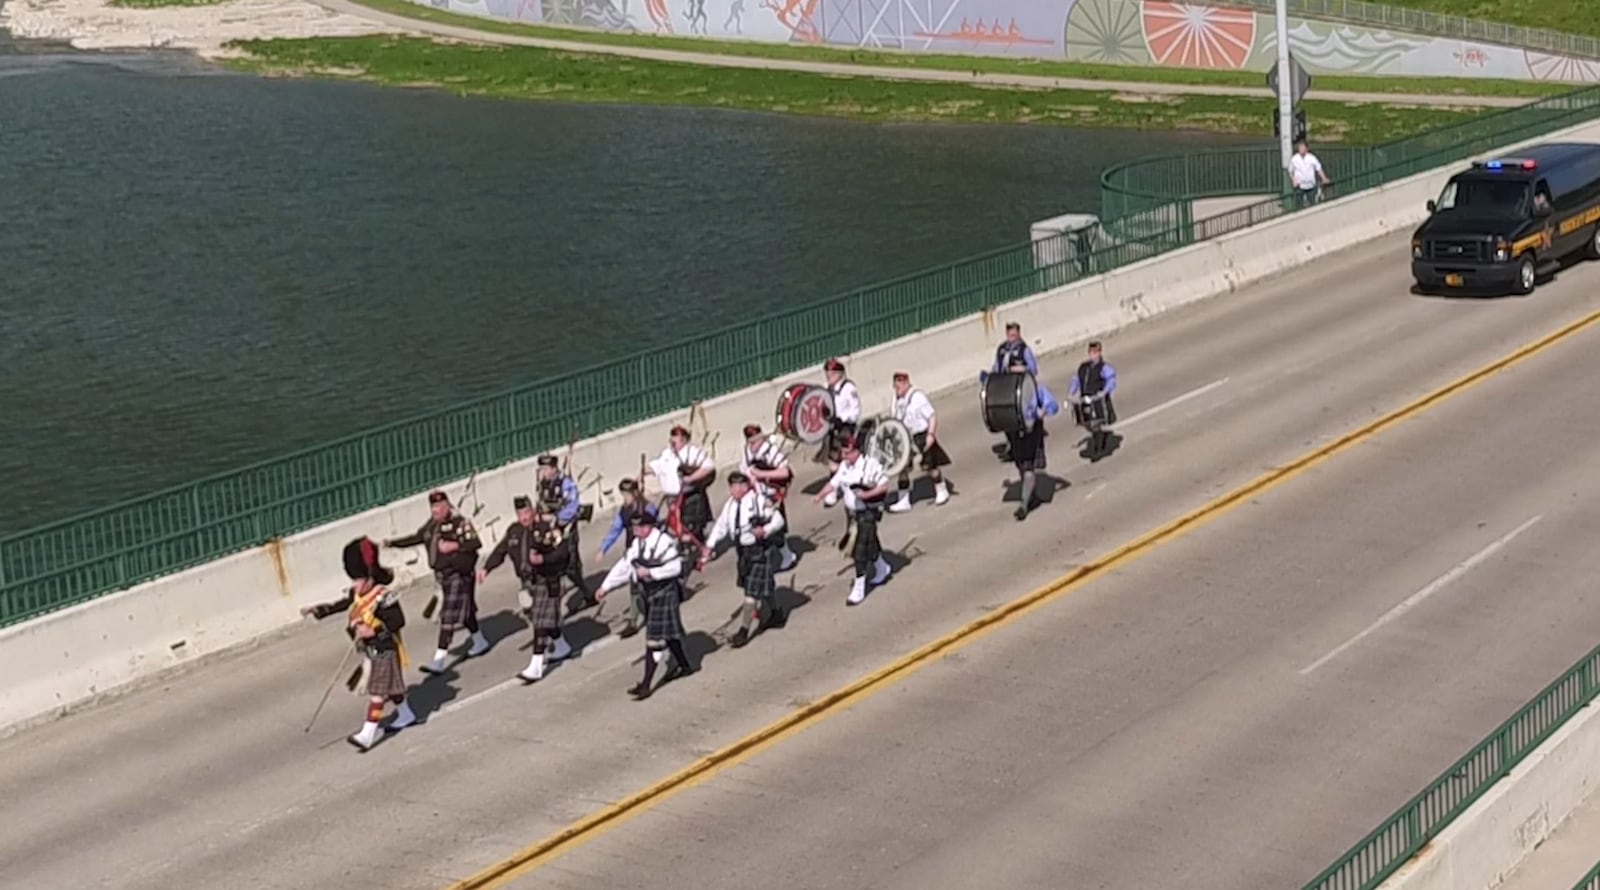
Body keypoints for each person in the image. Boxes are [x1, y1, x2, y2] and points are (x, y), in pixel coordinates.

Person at [301, 537, 416, 752]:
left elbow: (398, 621)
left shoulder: (383, 596)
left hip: (385, 649)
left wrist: (373, 630)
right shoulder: (357, 592)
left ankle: (367, 734)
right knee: (390, 688)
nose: (354, 584)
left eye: (358, 579)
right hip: (370, 650)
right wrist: (318, 610)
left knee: (378, 692)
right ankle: (407, 714)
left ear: (370, 577)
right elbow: (342, 604)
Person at [596, 511, 697, 700]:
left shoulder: (664, 542)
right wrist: (606, 586)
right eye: (634, 528)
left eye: (638, 527)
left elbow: (676, 567)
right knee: (668, 636)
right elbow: (625, 566)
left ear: (649, 526)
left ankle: (646, 684)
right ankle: (685, 666)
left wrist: (651, 573)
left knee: (653, 639)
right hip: (650, 594)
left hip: (665, 592)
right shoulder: (637, 543)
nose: (635, 531)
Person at [383, 490, 486, 674]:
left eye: (439, 507)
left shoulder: (459, 523)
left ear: (447, 505)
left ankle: (439, 660)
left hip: (459, 575)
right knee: (466, 611)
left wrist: (454, 545)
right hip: (442, 577)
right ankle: (480, 641)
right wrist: (393, 543)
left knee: (447, 616)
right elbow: (417, 537)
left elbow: (475, 544)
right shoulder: (433, 525)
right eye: (433, 507)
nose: (435, 511)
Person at [479, 495, 575, 683]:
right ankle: (562, 646)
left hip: (547, 580)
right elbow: (501, 551)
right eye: (519, 513)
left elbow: (563, 552)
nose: (523, 517)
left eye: (526, 512)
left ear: (533, 510)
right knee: (543, 620)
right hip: (527, 584)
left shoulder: (546, 528)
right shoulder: (514, 531)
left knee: (540, 622)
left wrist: (544, 560)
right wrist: (486, 568)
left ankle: (536, 666)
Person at [705, 471, 788, 648]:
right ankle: (776, 613)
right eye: (731, 486)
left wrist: (765, 531)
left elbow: (778, 519)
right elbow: (721, 526)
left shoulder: (758, 501)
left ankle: (743, 631)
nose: (734, 490)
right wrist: (709, 546)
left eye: (737, 486)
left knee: (751, 593)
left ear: (745, 486)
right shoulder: (730, 505)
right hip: (743, 552)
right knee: (763, 587)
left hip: (758, 550)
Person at [813, 435, 892, 606]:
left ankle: (859, 587)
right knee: (869, 543)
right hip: (852, 514)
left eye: (847, 453)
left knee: (859, 550)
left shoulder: (870, 465)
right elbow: (834, 483)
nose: (844, 456)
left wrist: (867, 495)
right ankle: (882, 567)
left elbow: (884, 485)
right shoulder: (844, 467)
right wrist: (820, 495)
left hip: (867, 512)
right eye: (843, 452)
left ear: (857, 451)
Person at [596, 477, 659, 638]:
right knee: (635, 586)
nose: (625, 498)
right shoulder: (624, 511)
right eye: (623, 494)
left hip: (649, 550)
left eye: (627, 494)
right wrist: (604, 548)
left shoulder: (647, 508)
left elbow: (655, 524)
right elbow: (615, 530)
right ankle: (634, 619)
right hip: (633, 551)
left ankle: (651, 611)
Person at [536, 455, 595, 611]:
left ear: (554, 468)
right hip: (550, 532)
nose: (544, 472)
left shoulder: (566, 484)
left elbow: (573, 506)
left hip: (566, 529)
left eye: (546, 469)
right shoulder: (543, 484)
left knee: (571, 565)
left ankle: (587, 593)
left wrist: (556, 517)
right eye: (542, 469)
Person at [651, 425, 715, 569]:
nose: (673, 443)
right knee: (677, 526)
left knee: (692, 526)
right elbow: (658, 466)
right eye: (672, 439)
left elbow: (709, 466)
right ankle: (686, 552)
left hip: (690, 496)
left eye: (676, 440)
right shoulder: (667, 454)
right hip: (673, 498)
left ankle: (702, 551)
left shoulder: (692, 452)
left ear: (684, 440)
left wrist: (691, 478)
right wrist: (643, 472)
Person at [888, 371, 950, 513]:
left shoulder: (917, 397)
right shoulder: (896, 400)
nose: (897, 388)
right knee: (902, 469)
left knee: (930, 466)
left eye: (899, 384)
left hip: (921, 434)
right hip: (904, 437)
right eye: (895, 385)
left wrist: (931, 434)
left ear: (906, 383)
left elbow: (932, 416)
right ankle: (903, 500)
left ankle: (941, 489)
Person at [739, 423, 798, 570]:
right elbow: (744, 470)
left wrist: (761, 474)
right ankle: (771, 557)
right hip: (756, 496)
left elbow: (785, 472)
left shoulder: (770, 451)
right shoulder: (747, 452)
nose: (753, 445)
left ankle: (786, 555)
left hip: (772, 495)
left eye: (756, 441)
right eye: (750, 441)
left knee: (773, 527)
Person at [1008, 376, 1060, 522]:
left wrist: (1044, 411)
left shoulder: (1035, 388)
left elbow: (1053, 406)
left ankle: (1023, 505)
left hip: (1032, 431)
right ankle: (1032, 495)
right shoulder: (1008, 387)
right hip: (1014, 431)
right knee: (1021, 466)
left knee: (1029, 469)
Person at [817, 358, 862, 505]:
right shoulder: (826, 389)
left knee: (846, 459)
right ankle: (834, 491)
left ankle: (852, 486)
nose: (828, 376)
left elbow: (855, 411)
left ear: (839, 374)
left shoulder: (849, 388)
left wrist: (842, 418)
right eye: (827, 373)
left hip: (845, 428)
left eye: (832, 373)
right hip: (832, 428)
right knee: (832, 462)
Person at [1070, 340, 1119, 461]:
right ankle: (1101, 436)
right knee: (1087, 424)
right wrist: (1071, 392)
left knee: (1095, 423)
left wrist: (1104, 392)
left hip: (1097, 400)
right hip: (1085, 399)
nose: (1093, 355)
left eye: (1096, 352)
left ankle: (1099, 449)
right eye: (1091, 352)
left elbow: (1111, 380)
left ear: (1100, 352)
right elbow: (1076, 380)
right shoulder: (1083, 367)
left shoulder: (1104, 368)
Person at [1290, 141, 1331, 207]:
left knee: (1312, 204)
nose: (1301, 149)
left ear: (1306, 149)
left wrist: (1324, 178)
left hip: (1311, 185)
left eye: (1303, 147)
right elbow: (1291, 171)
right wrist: (1294, 180)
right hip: (1300, 185)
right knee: (1299, 205)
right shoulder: (1294, 159)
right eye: (1300, 147)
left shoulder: (1312, 158)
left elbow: (1319, 168)